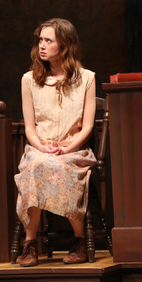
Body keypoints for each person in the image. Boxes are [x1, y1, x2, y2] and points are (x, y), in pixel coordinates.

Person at [14, 18, 97, 267]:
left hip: (74, 149)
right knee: (35, 166)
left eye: (48, 40)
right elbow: (29, 127)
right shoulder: (29, 80)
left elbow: (89, 125)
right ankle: (30, 244)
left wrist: (68, 147)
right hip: (41, 147)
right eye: (40, 40)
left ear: (64, 44)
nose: (42, 45)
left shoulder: (86, 78)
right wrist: (41, 146)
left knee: (61, 166)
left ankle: (79, 240)